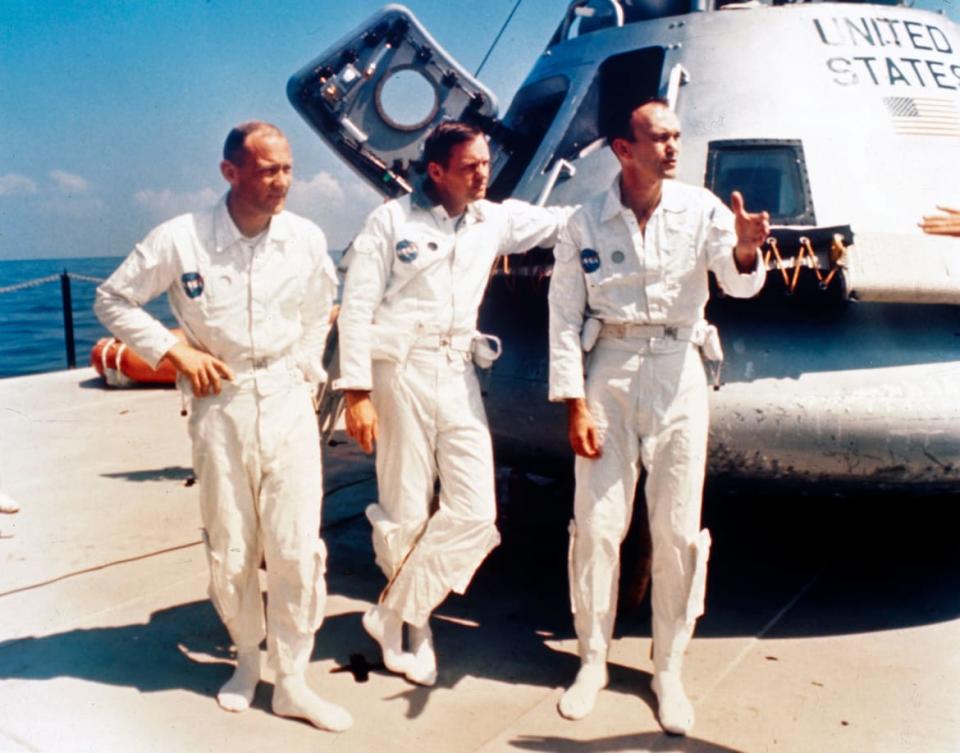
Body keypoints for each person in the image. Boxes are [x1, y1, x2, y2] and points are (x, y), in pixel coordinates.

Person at [94, 122, 351, 732]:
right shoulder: (181, 240)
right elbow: (113, 299)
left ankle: (291, 680)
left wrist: (310, 370)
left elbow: (321, 306)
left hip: (288, 400)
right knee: (233, 544)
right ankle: (246, 660)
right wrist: (174, 352)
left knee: (293, 547)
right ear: (230, 172)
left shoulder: (306, 238)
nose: (281, 181)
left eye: (287, 168)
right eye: (267, 170)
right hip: (220, 403)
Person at [548, 98, 769, 735]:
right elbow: (564, 318)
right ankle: (592, 659)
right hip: (609, 370)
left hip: (679, 371)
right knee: (597, 526)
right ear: (623, 148)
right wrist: (574, 402)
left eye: (677, 135)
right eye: (659, 137)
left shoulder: (701, 209)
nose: (674, 147)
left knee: (675, 530)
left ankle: (667, 667)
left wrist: (749, 251)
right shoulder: (584, 222)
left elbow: (738, 283)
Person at [336, 120, 567, 687]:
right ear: (436, 171)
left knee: (475, 512)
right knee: (405, 506)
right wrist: (356, 394)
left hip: (458, 371)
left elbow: (567, 222)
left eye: (486, 163)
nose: (483, 174)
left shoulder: (494, 218)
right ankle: (413, 630)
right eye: (470, 167)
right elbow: (357, 308)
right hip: (400, 371)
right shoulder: (390, 222)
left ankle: (393, 610)